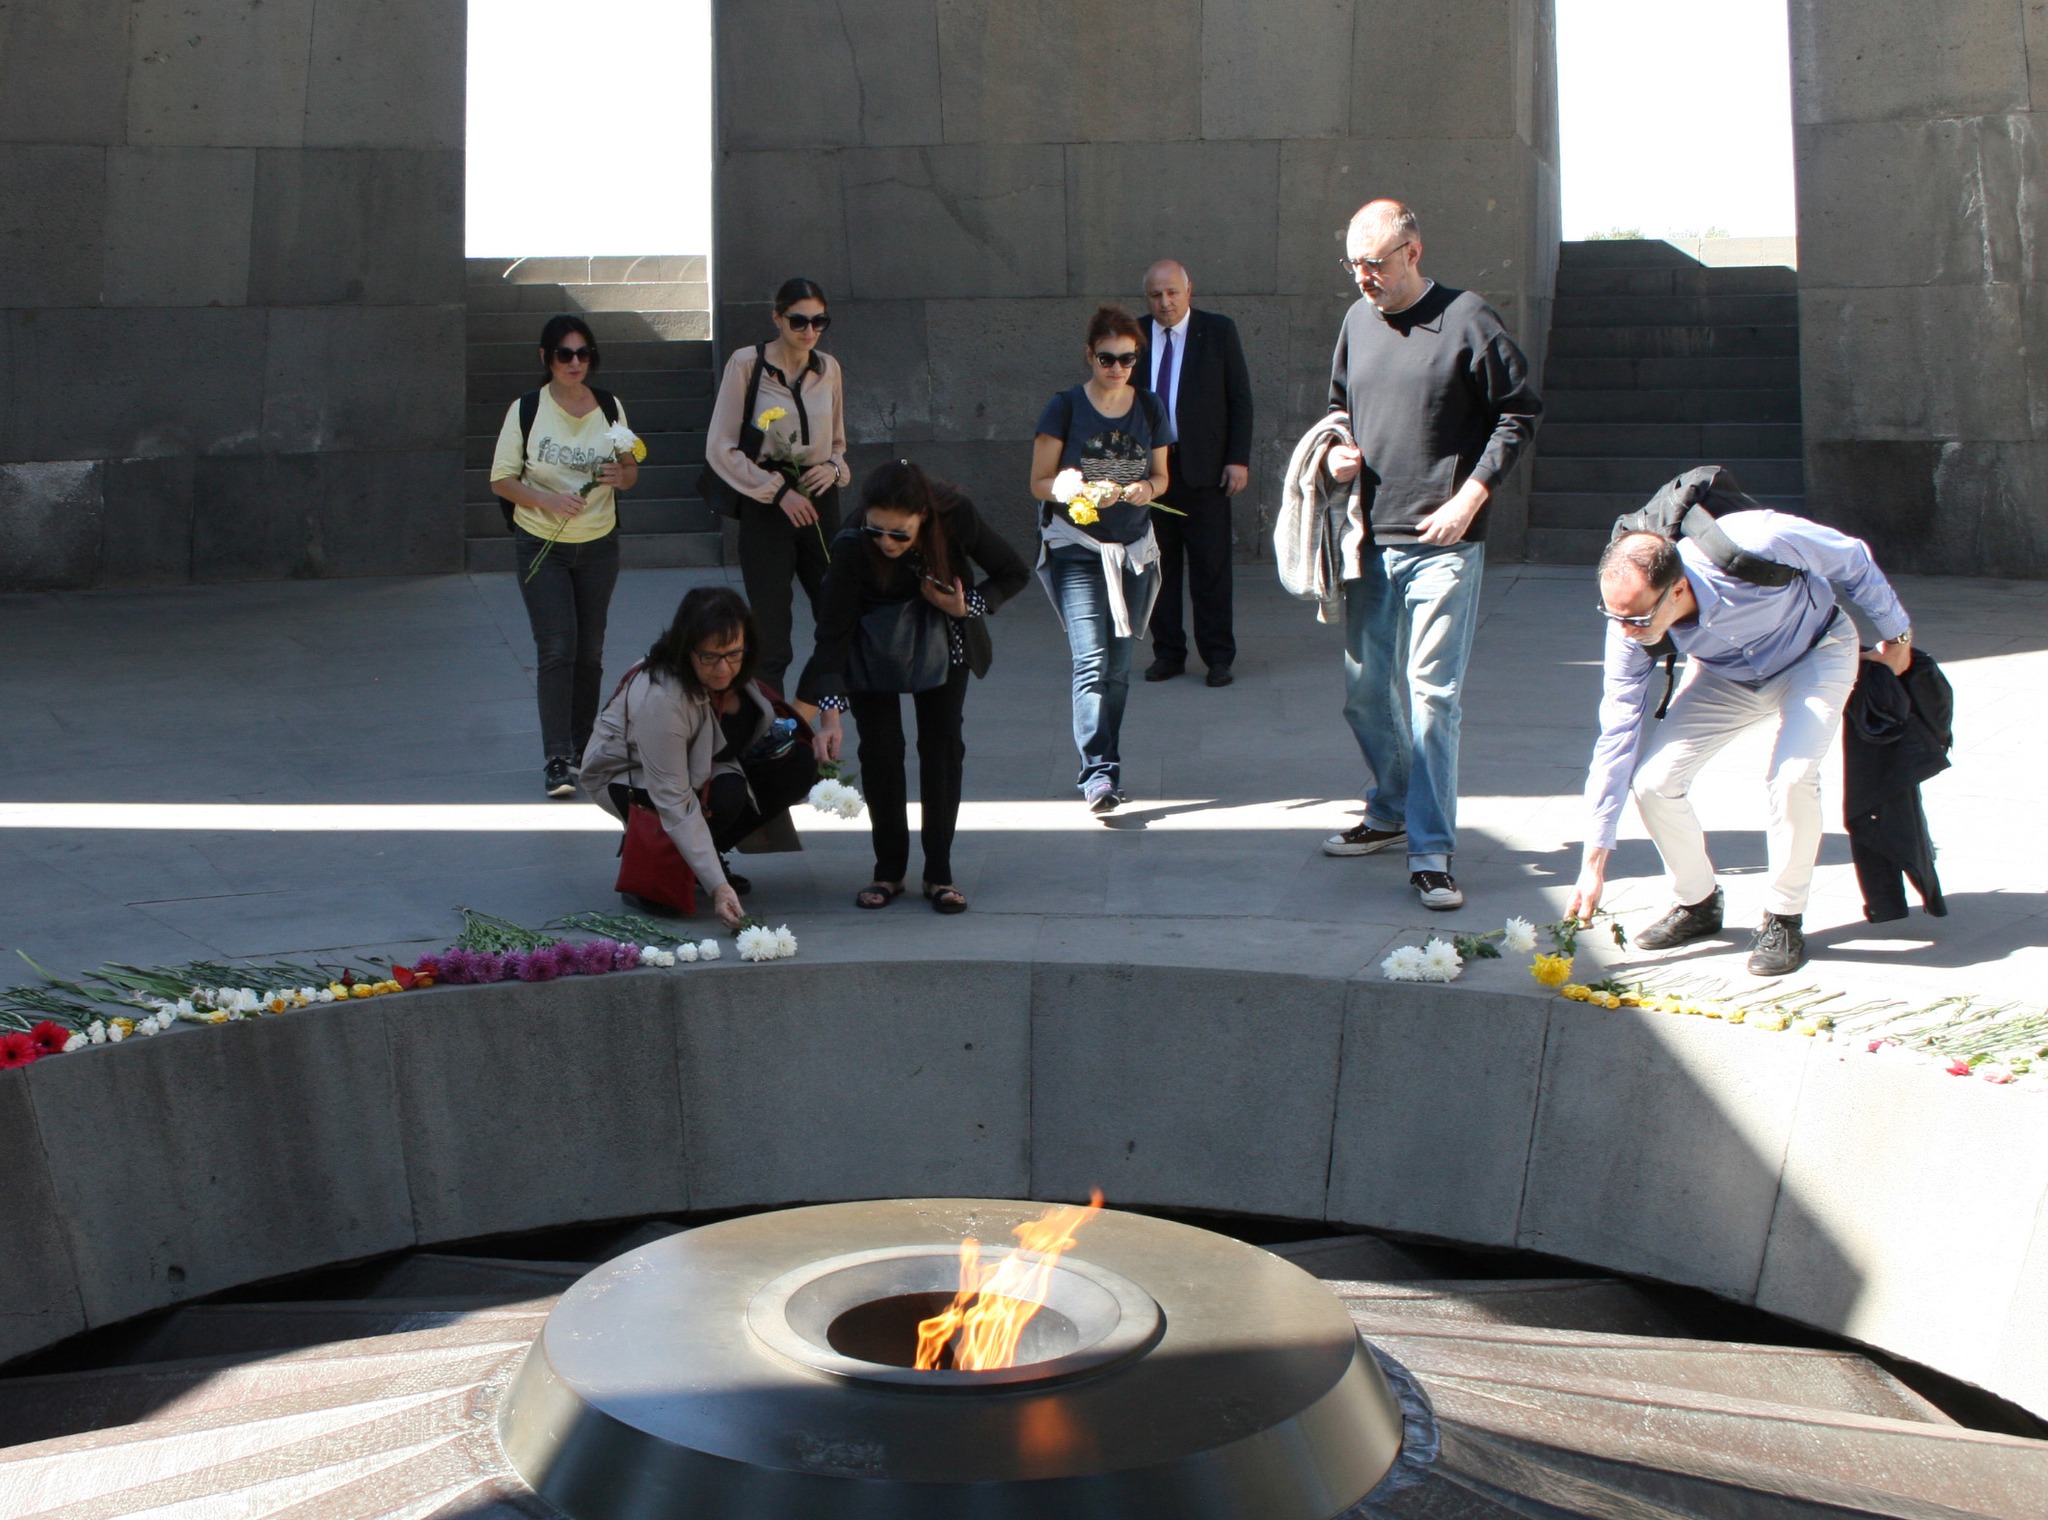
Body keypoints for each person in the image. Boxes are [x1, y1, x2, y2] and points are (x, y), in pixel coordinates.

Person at [1566, 519, 1914, 976]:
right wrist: (1593, 862)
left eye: (1638, 619)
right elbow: (1617, 733)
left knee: (1791, 778)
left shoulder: (1753, 543)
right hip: (1726, 674)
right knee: (1653, 783)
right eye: (1615, 617)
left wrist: (1897, 634)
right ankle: (1698, 903)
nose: (1627, 632)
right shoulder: (1627, 628)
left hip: (1815, 651)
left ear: (1677, 589)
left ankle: (1783, 918)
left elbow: (1849, 556)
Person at [1321, 199, 1541, 911]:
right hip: (1370, 539)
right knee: (1364, 693)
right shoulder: (1356, 322)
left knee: (1431, 701)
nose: (1363, 278)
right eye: (1354, 265)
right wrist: (1339, 453)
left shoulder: (1470, 318)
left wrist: (1471, 497)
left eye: (1375, 264)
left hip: (1444, 542)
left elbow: (1518, 413)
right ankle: (1388, 810)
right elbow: (1336, 412)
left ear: (1413, 251)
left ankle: (1432, 850)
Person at [795, 460, 1030, 913]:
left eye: (899, 534)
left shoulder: (955, 514)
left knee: (941, 748)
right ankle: (889, 871)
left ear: (923, 515)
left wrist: (966, 605)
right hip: (871, 647)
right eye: (876, 530)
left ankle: (939, 874)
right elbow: (832, 631)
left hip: (946, 636)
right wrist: (829, 715)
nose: (885, 542)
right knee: (880, 750)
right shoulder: (851, 543)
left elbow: (1012, 572)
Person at [581, 587, 819, 928]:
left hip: (701, 765)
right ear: (686, 649)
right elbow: (674, 800)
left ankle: (696, 859)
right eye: (710, 656)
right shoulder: (662, 699)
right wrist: (719, 887)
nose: (724, 668)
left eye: (734, 653)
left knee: (796, 766)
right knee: (724, 796)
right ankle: (655, 867)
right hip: (631, 776)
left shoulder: (737, 675)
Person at [1029, 306, 1174, 813]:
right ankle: (1098, 773)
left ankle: (1106, 763)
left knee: (1117, 667)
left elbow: (1161, 477)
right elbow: (1039, 482)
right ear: (1090, 356)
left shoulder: (1150, 408)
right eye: (1107, 358)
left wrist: (1142, 488)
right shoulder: (1065, 407)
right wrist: (1074, 489)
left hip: (1133, 550)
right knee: (1090, 661)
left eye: (1127, 359)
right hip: (1077, 546)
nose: (1117, 368)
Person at [488, 315, 639, 798]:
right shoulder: (527, 408)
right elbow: (500, 480)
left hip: (599, 543)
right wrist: (547, 500)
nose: (575, 363)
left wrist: (622, 475)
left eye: (583, 354)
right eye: (564, 354)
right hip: (541, 542)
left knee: (589, 651)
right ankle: (557, 757)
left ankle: (584, 746)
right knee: (557, 648)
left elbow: (631, 467)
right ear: (546, 358)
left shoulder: (611, 406)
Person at [705, 277, 851, 691]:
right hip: (766, 500)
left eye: (819, 322)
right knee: (770, 633)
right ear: (777, 318)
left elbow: (839, 444)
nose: (809, 332)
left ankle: (824, 715)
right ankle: (772, 733)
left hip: (821, 497)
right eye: (798, 321)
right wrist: (777, 491)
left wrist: (835, 469)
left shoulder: (829, 368)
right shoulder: (746, 364)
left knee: (837, 616)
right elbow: (720, 447)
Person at [1138, 259, 1253, 688]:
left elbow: (1240, 399)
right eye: (1155, 295)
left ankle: (1218, 657)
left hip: (1205, 471)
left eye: (1172, 293)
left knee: (1211, 569)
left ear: (1189, 291)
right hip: (1151, 472)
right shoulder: (1134, 335)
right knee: (1157, 568)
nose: (1164, 303)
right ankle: (1167, 654)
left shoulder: (1218, 331)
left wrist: (1237, 459)